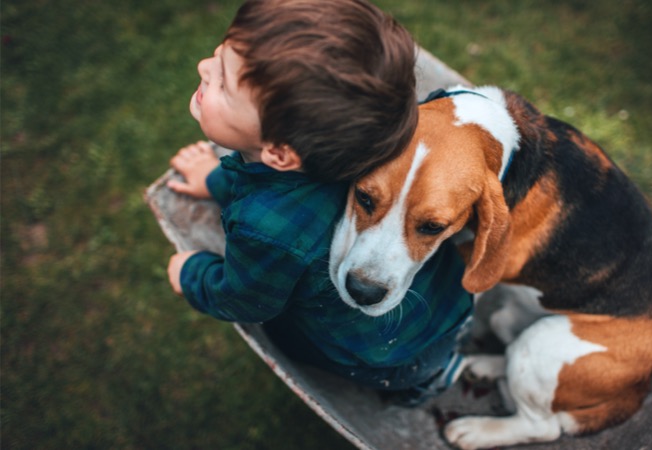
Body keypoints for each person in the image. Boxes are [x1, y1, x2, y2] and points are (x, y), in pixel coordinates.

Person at [166, 0, 472, 405]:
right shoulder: (369, 150)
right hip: (448, 300)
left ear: (278, 152)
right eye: (221, 55)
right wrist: (212, 177)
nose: (205, 66)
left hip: (394, 356)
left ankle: (424, 383)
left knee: (287, 336)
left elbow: (246, 300)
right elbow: (255, 170)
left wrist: (193, 272)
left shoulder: (264, 228)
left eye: (223, 81)